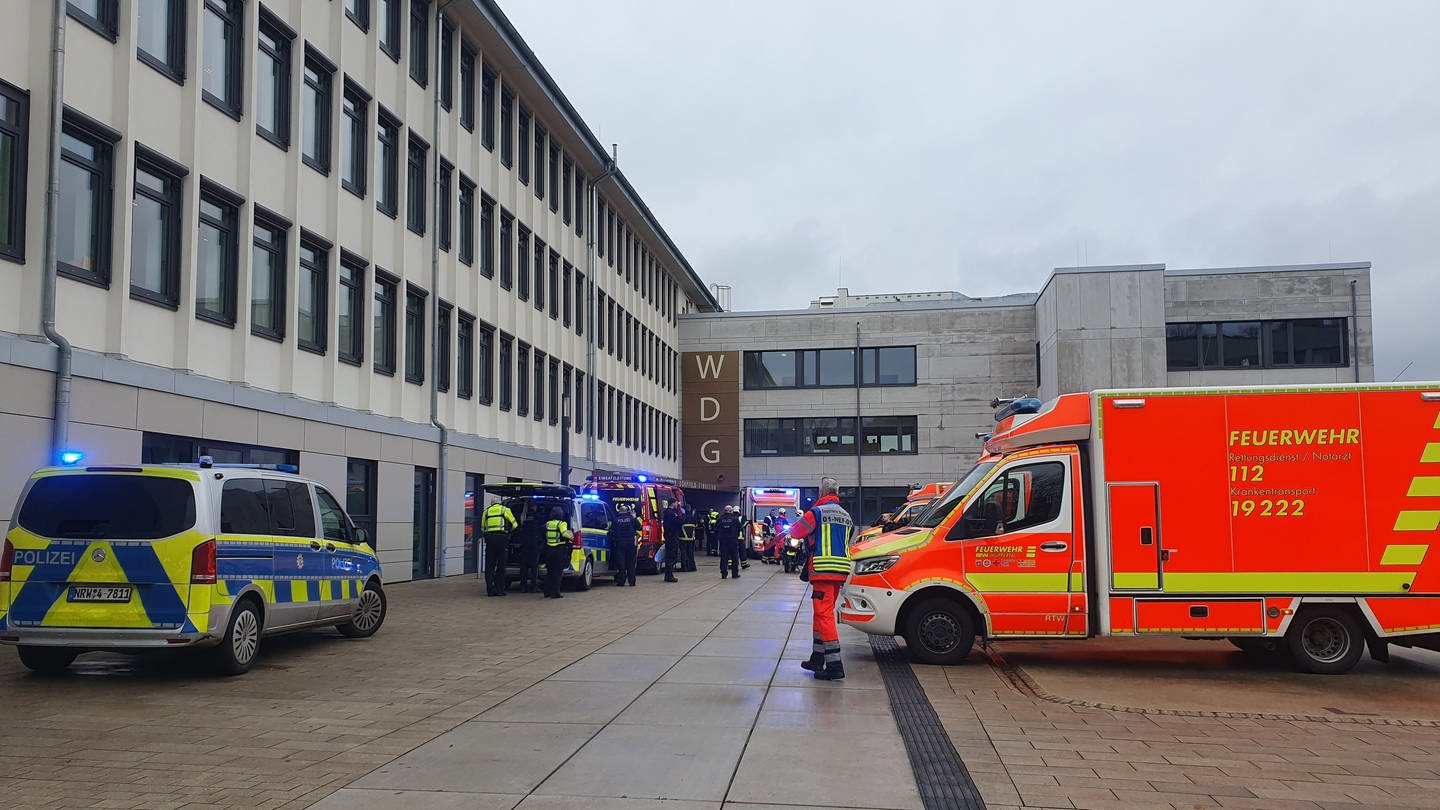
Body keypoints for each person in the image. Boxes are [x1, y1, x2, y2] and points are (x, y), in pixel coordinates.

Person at [788, 477, 853, 680]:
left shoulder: (816, 512)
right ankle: (817, 658)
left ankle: (834, 665)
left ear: (821, 492)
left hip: (823, 569)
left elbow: (796, 533)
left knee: (823, 615)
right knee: (821, 613)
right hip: (841, 569)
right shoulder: (846, 515)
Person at [481, 497, 518, 597]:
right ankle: (500, 589)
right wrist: (509, 533)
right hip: (501, 539)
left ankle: (490, 590)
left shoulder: (486, 512)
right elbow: (515, 524)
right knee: (501, 566)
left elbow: (482, 528)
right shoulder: (505, 510)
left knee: (489, 565)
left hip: (490, 540)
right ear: (500, 503)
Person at [543, 506, 573, 599]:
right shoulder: (561, 523)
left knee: (549, 572)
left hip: (549, 549)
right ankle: (555, 593)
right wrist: (571, 536)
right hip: (559, 549)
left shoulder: (548, 524)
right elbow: (564, 533)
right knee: (557, 572)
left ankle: (546, 592)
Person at [609, 502, 641, 587]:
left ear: (619, 511)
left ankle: (621, 581)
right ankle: (632, 582)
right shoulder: (631, 519)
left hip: (620, 544)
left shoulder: (615, 520)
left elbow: (611, 531)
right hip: (631, 544)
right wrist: (634, 517)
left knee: (621, 563)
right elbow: (639, 527)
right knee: (631, 563)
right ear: (628, 511)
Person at [517, 509, 544, 593]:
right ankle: (534, 586)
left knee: (524, 567)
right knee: (534, 567)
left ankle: (523, 586)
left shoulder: (524, 525)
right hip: (534, 547)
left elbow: (519, 536)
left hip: (525, 547)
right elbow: (541, 536)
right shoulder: (538, 524)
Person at [715, 504, 743, 580]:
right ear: (731, 511)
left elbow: (716, 529)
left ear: (724, 511)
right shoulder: (735, 519)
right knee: (734, 558)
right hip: (733, 541)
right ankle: (735, 574)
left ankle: (723, 574)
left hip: (723, 541)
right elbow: (740, 528)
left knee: (724, 558)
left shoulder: (720, 519)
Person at [661, 500, 685, 582]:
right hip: (672, 536)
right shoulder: (671, 513)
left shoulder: (667, 512)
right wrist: (680, 513)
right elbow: (680, 521)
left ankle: (668, 575)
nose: (677, 505)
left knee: (670, 555)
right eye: (676, 503)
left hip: (669, 536)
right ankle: (669, 576)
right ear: (673, 503)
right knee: (671, 555)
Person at [680, 504, 699, 572]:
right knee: (691, 553)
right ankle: (692, 567)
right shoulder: (693, 517)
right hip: (691, 538)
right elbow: (696, 525)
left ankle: (684, 567)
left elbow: (678, 525)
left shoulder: (682, 517)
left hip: (683, 538)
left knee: (683, 553)